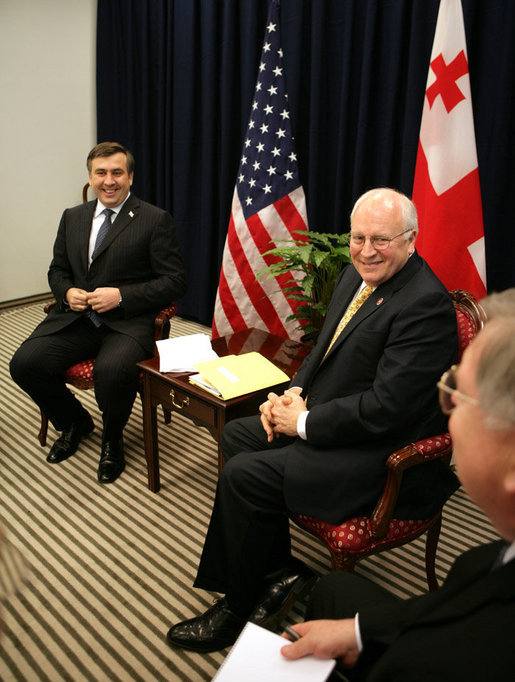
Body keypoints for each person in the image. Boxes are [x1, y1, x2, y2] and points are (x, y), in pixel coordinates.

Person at [166, 188, 459, 652]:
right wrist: (289, 396)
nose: (366, 250)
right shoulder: (354, 275)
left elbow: (388, 408)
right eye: (358, 237)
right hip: (335, 420)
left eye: (380, 239)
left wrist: (303, 423)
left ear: (411, 240)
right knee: (240, 434)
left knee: (244, 476)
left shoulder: (425, 305)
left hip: (379, 456)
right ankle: (280, 571)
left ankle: (236, 605)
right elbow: (321, 353)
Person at [280, 289, 515, 681]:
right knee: (333, 590)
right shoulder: (485, 558)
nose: (447, 414)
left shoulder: (456, 660)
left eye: (456, 394)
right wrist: (356, 632)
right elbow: (442, 608)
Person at [10, 142, 187, 484]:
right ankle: (75, 422)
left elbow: (175, 281)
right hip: (77, 319)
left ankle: (112, 438)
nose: (109, 181)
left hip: (127, 323)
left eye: (117, 173)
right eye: (101, 173)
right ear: (90, 177)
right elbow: (57, 271)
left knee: (112, 370)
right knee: (25, 363)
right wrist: (66, 292)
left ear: (130, 177)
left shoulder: (154, 219)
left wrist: (122, 295)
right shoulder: (72, 217)